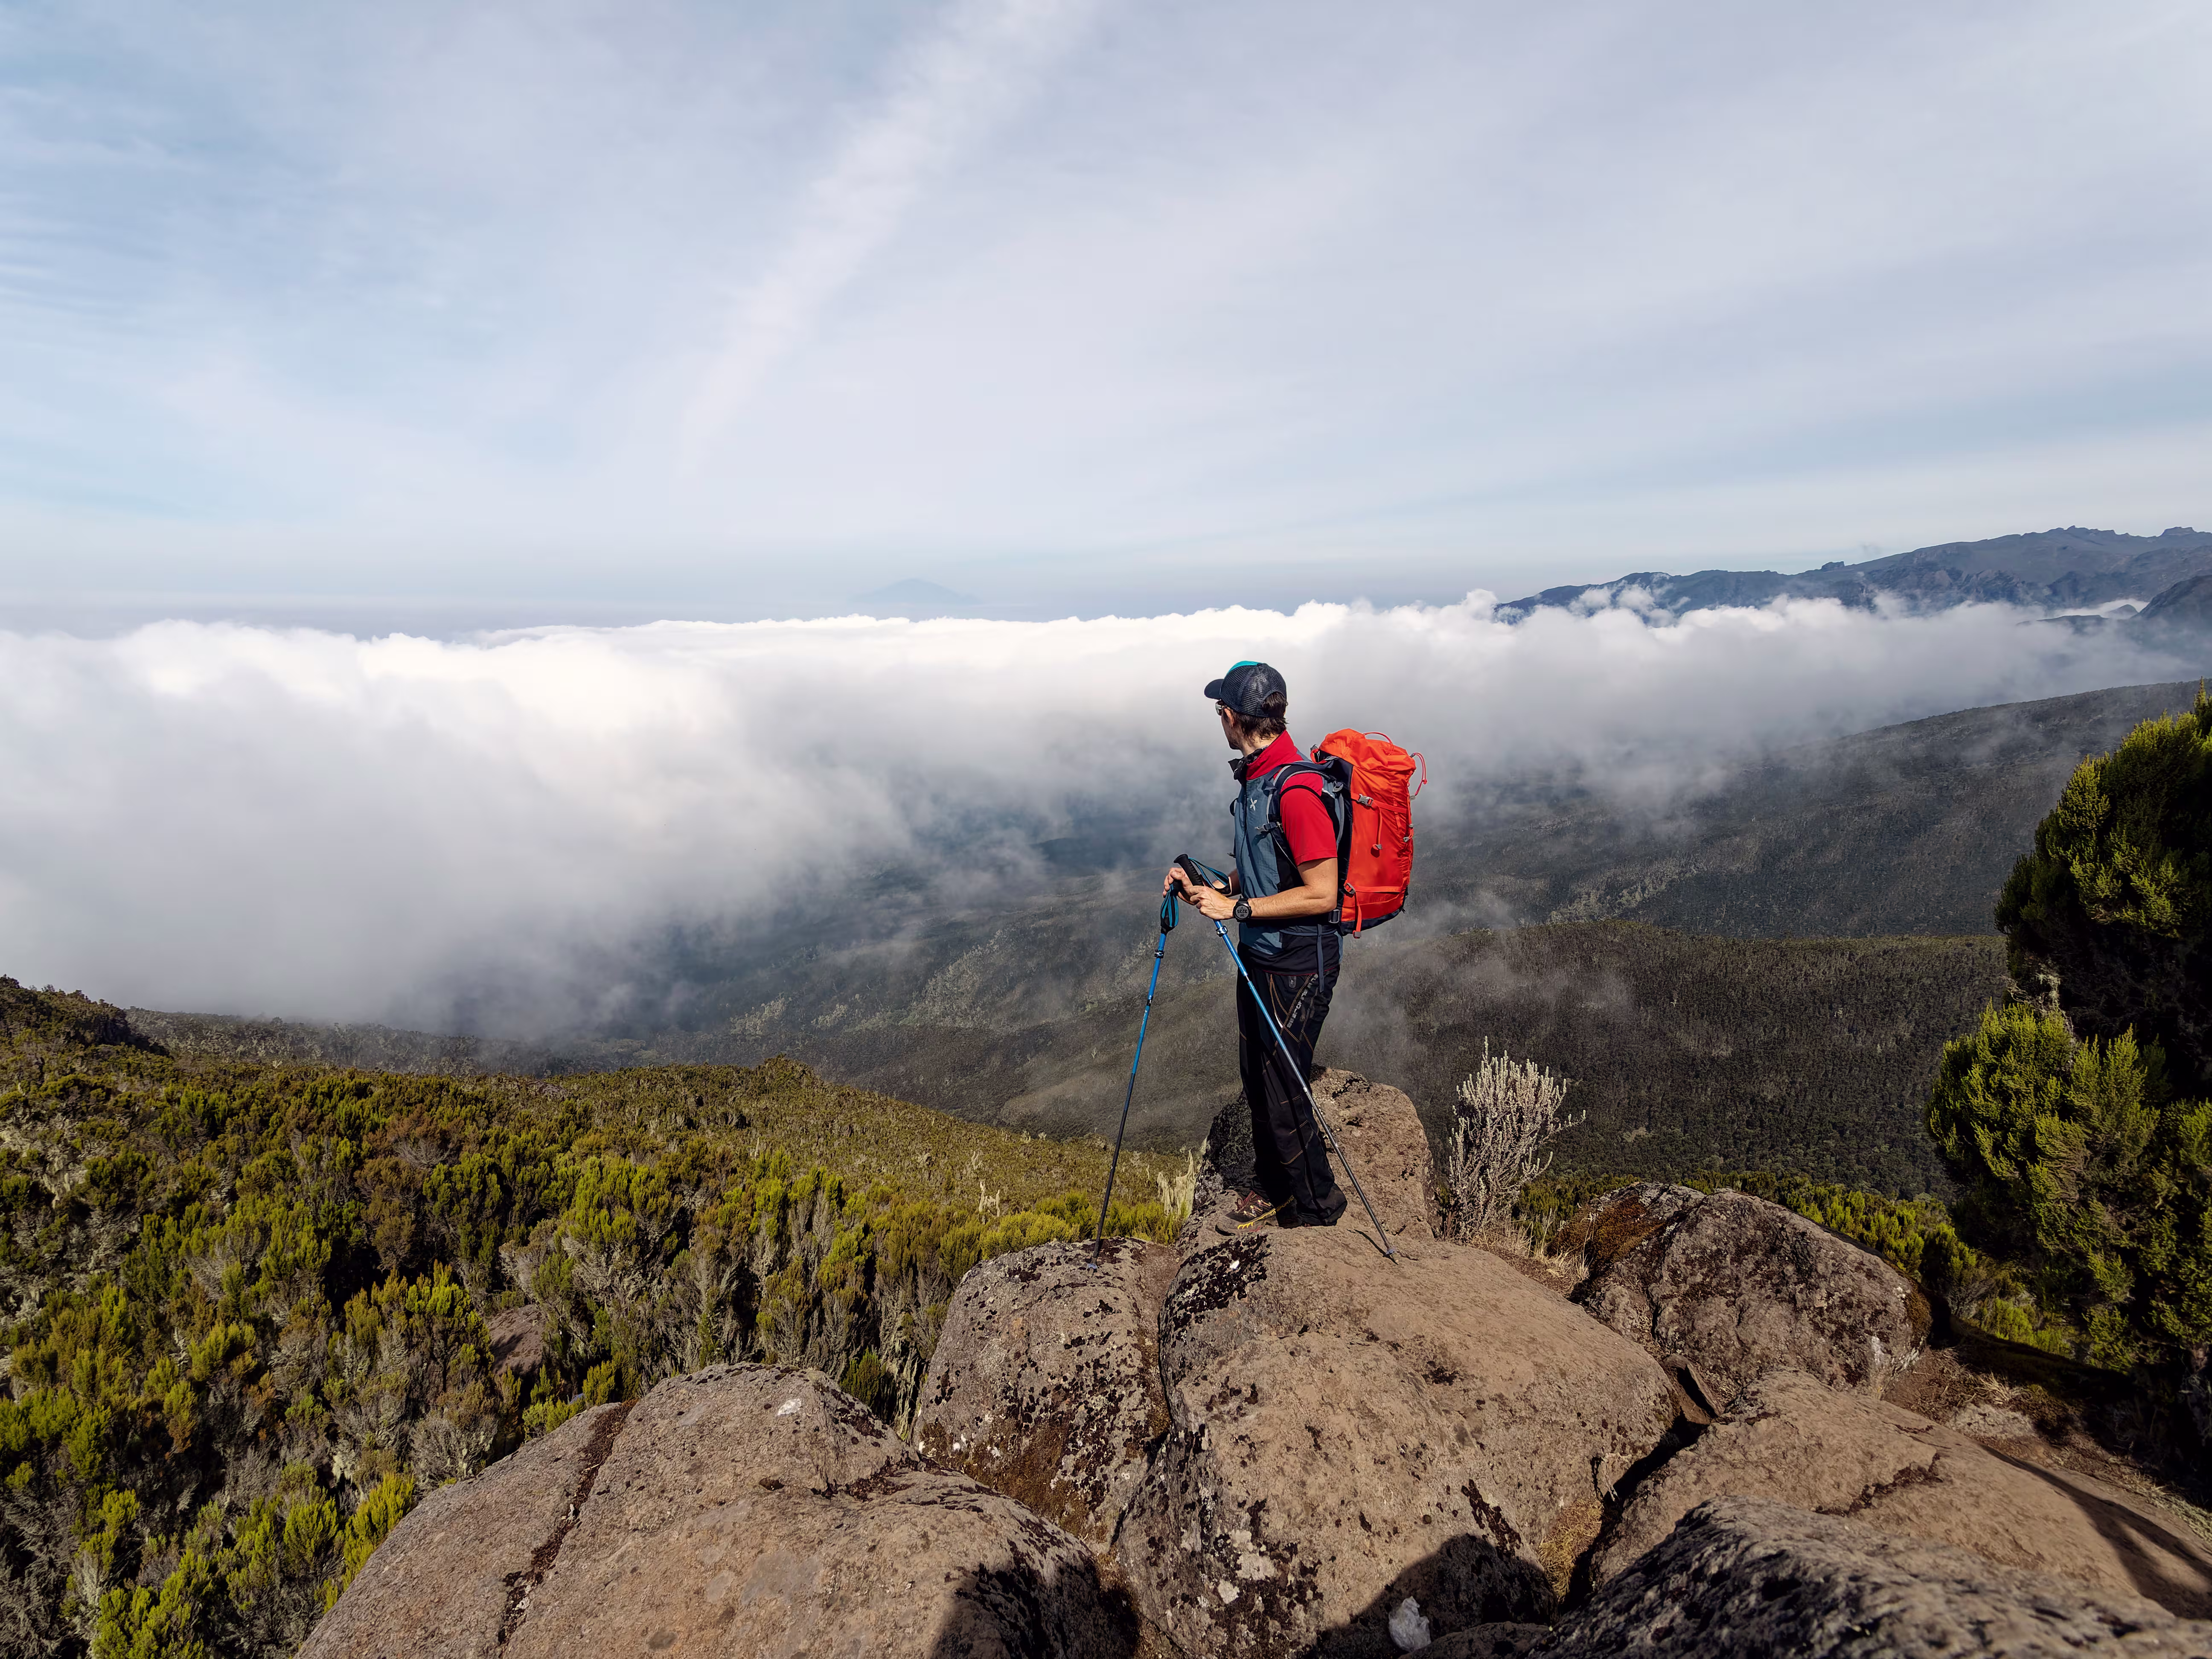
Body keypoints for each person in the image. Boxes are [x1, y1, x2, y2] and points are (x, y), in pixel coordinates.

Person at [1166, 660, 1349, 1231]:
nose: (1217, 717)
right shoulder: (1257, 779)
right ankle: (1275, 1189)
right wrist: (1210, 883)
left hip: (1297, 962)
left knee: (1284, 1091)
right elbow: (1265, 867)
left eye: (1219, 709)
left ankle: (1319, 1212)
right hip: (1264, 954)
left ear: (1231, 716)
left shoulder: (1293, 789)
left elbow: (1323, 893)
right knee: (1259, 1077)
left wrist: (1237, 909)